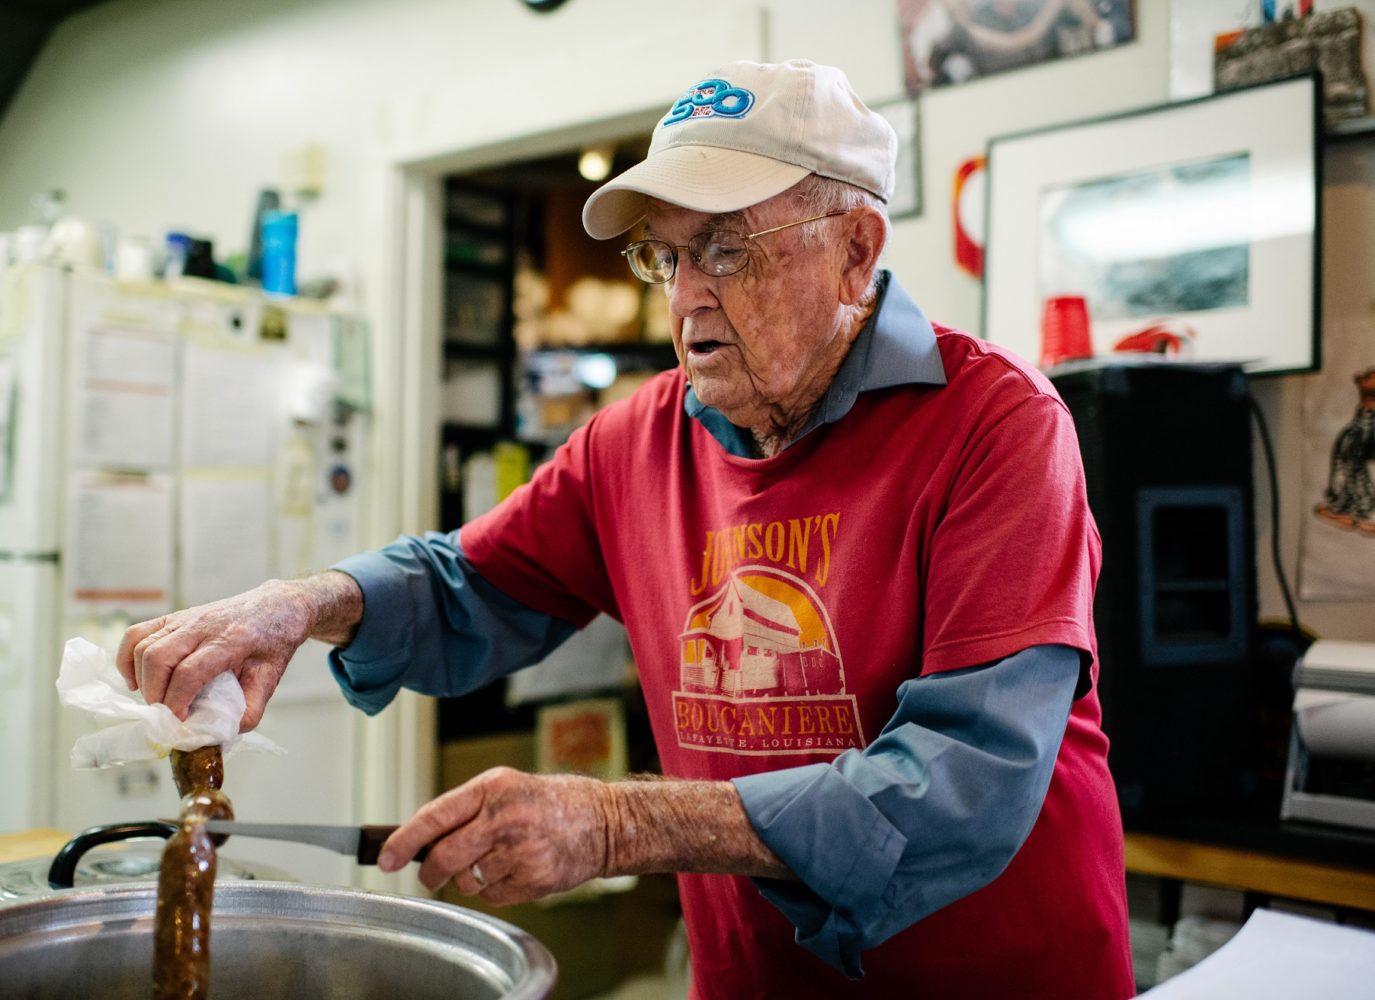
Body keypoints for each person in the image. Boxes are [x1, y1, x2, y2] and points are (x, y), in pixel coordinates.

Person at [119, 59, 1133, 998]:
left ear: (855, 250)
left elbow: (965, 782)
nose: (687, 297)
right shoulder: (637, 441)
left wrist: (614, 821)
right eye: (667, 256)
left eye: (727, 248)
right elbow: (469, 584)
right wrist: (302, 602)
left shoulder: (997, 424)